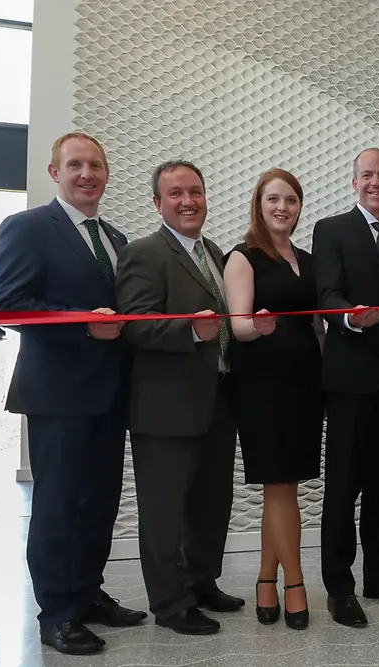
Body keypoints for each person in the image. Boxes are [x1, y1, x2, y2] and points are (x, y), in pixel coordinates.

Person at [0, 132, 145, 655]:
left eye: (96, 165)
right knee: (57, 506)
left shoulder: (116, 238)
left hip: (109, 393)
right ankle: (56, 614)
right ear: (55, 173)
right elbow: (5, 305)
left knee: (99, 502)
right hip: (57, 394)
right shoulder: (27, 227)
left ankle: (88, 593)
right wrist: (81, 326)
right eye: (75, 164)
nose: (87, 174)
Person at [115, 160, 244, 636]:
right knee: (165, 513)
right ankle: (170, 604)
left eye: (195, 191)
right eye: (175, 194)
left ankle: (201, 582)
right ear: (157, 203)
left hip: (216, 400)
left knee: (211, 504)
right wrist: (190, 329)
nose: (188, 200)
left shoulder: (213, 251)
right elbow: (134, 324)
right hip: (165, 408)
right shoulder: (144, 253)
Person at [312, 148, 379, 628]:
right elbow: (327, 294)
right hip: (351, 380)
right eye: (367, 175)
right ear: (355, 182)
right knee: (343, 488)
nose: (376, 182)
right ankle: (339, 587)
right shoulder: (332, 230)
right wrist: (350, 319)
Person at [223, 168, 324, 630]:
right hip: (264, 386)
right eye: (273, 200)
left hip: (306, 384)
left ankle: (266, 578)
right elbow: (238, 324)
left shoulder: (306, 258)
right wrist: (258, 326)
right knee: (281, 486)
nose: (283, 208)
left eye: (291, 200)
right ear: (258, 206)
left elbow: (316, 323)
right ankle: (296, 584)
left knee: (283, 487)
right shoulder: (243, 257)